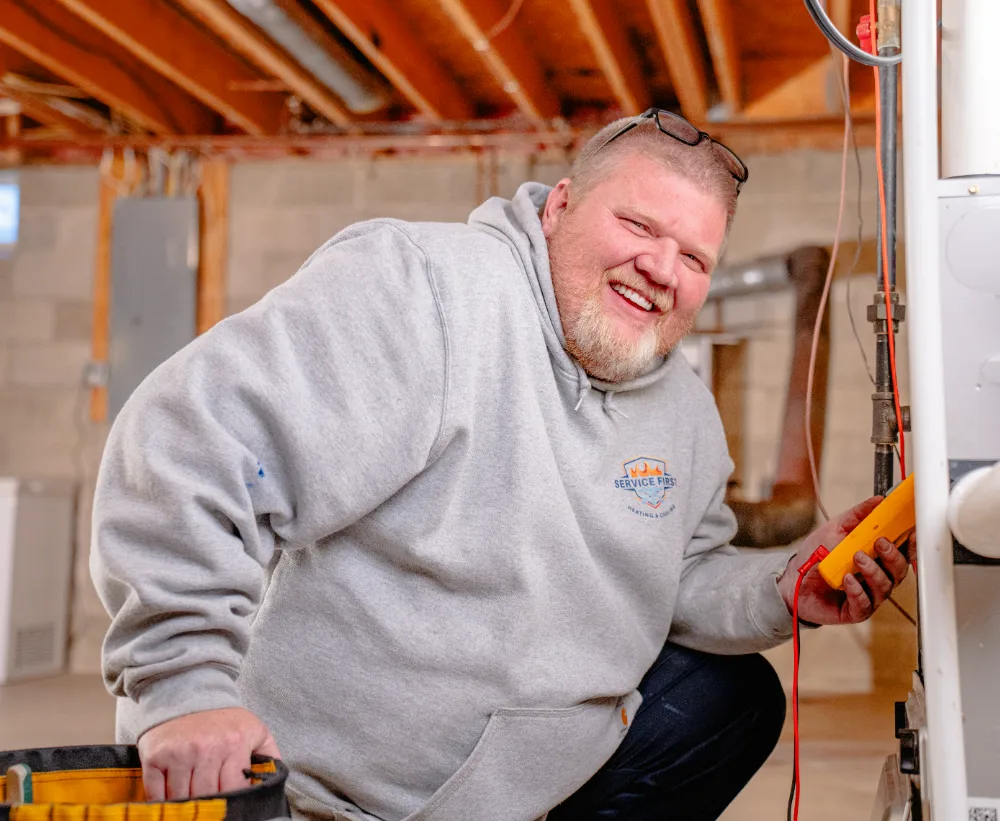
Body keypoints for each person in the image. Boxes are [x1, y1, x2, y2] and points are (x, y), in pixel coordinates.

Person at [91, 109, 910, 821]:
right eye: (638, 226)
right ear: (559, 206)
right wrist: (184, 687)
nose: (663, 269)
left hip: (509, 793)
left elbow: (681, 575)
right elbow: (196, 444)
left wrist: (786, 584)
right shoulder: (427, 291)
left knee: (729, 699)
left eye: (694, 259)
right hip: (316, 791)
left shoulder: (684, 412)